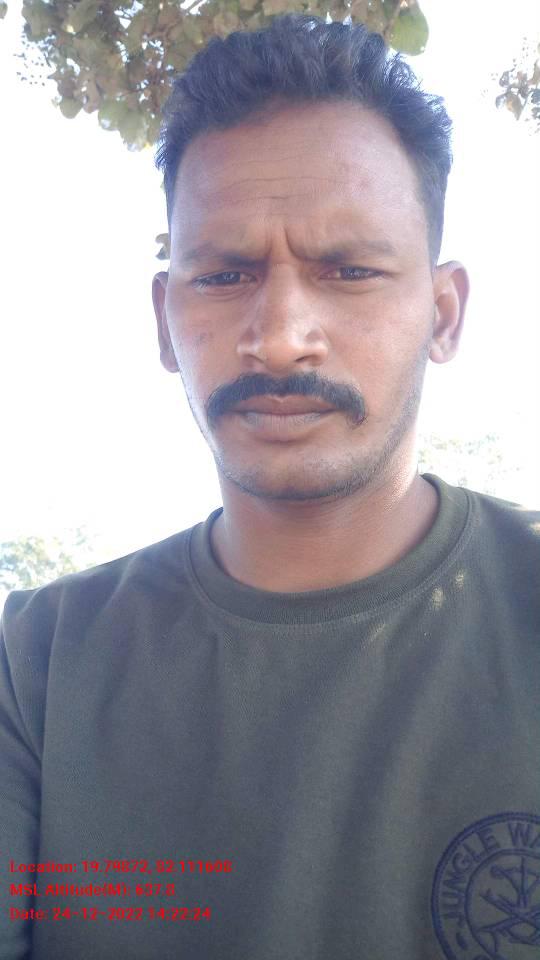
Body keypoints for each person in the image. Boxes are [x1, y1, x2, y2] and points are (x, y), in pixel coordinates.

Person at [1, 13, 539, 960]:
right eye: (224, 276)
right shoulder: (38, 664)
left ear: (444, 314)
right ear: (165, 325)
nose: (282, 336)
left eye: (350, 270)